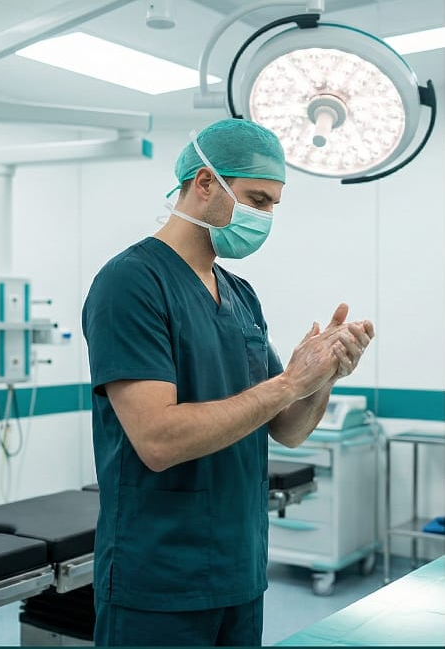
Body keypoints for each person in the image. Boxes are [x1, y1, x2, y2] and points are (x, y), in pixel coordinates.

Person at [82, 118, 374, 647]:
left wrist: (324, 375)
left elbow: (288, 429)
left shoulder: (240, 295)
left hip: (239, 570)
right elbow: (157, 440)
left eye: (272, 206)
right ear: (204, 183)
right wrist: (290, 382)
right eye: (257, 200)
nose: (265, 217)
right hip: (159, 579)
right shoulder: (131, 283)